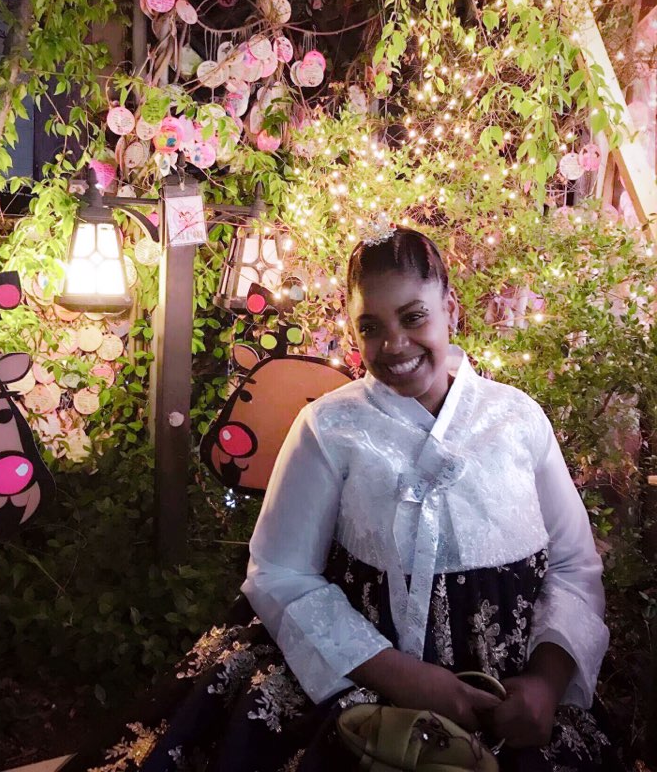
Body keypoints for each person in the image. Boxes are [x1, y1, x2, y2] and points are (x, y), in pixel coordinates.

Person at [65, 227, 620, 772]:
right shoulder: (328, 426)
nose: (394, 345)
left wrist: (546, 683)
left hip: (510, 703)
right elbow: (279, 573)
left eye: (413, 317)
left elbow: (574, 565)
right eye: (371, 327)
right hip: (360, 686)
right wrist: (401, 676)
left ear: (449, 308)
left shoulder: (518, 419)